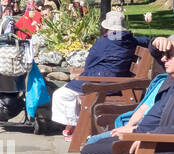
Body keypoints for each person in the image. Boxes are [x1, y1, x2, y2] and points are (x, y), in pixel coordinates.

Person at [43, 67, 173, 154]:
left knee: (94, 146)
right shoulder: (165, 81)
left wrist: (137, 131)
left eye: (170, 57)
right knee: (93, 143)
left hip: (145, 137)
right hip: (136, 130)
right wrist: (129, 125)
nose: (166, 60)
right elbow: (143, 107)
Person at [51, 9, 152, 138]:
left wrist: (84, 75)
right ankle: (76, 125)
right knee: (70, 92)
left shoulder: (104, 42)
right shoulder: (130, 39)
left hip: (104, 84)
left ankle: (77, 126)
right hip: (114, 81)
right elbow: (147, 41)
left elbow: (89, 63)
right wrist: (156, 40)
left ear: (107, 28)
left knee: (61, 94)